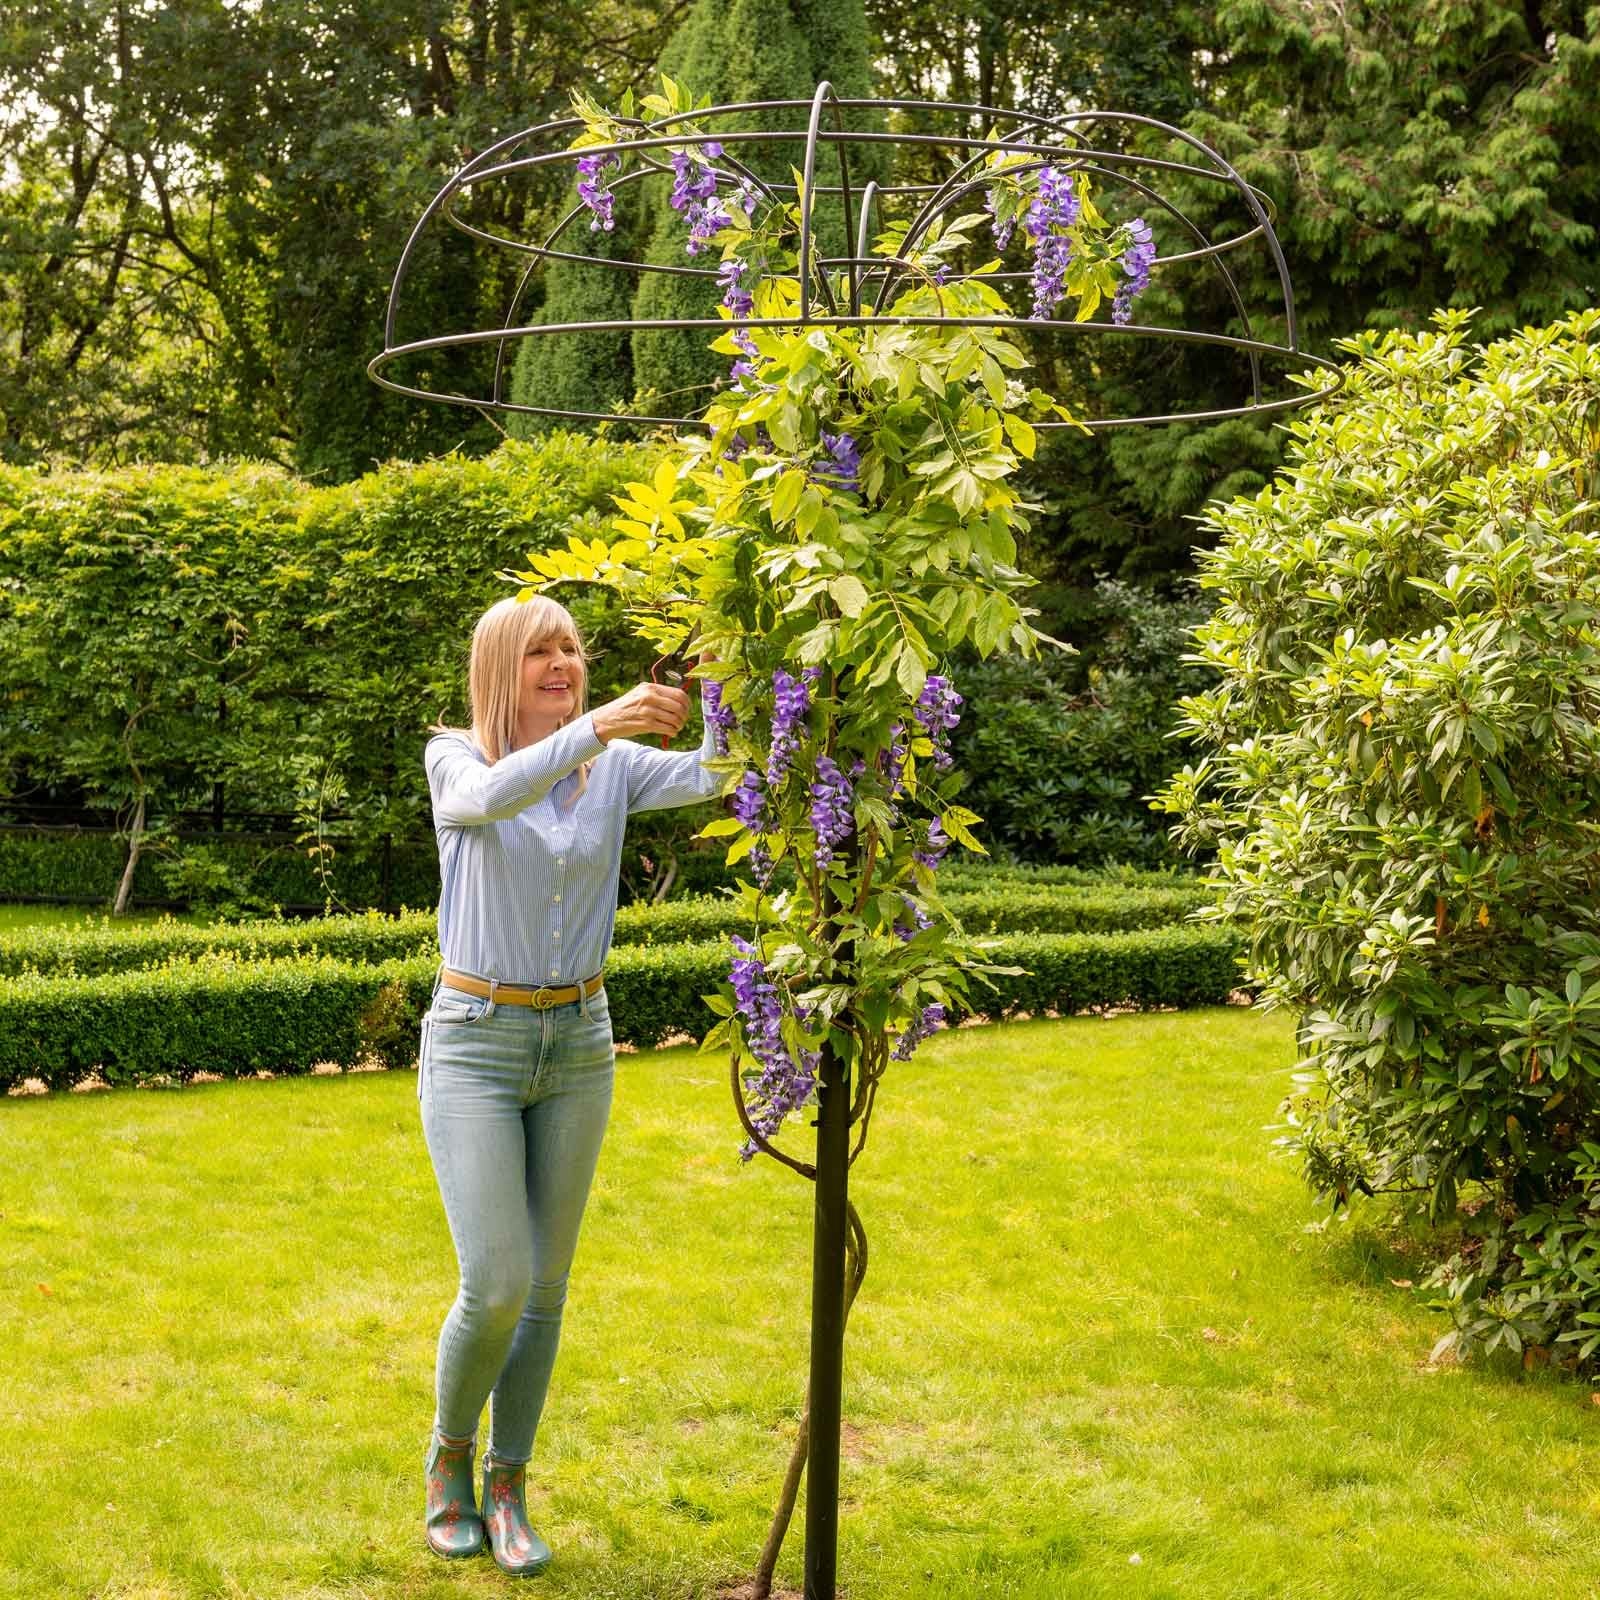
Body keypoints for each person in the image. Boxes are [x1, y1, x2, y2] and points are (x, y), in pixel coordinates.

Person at [416, 593, 721, 1574]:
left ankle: (508, 1483)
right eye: (540, 651)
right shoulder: (453, 757)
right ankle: (448, 1457)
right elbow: (488, 798)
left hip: (579, 1043)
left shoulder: (614, 767)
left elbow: (718, 773)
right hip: (475, 1041)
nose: (563, 664)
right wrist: (600, 726)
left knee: (545, 1289)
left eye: (572, 650)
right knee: (498, 1281)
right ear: (499, 668)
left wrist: (733, 681)